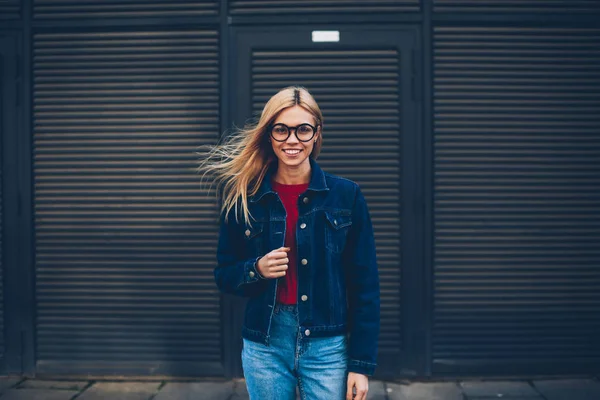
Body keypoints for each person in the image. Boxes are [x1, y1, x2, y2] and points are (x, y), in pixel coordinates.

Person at [199, 86, 380, 400]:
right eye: (281, 130)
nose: (292, 140)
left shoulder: (346, 196)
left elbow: (365, 285)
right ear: (269, 135)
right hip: (265, 343)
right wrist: (256, 269)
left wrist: (360, 365)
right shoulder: (245, 197)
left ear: (316, 134)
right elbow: (224, 274)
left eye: (303, 129)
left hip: (326, 344)